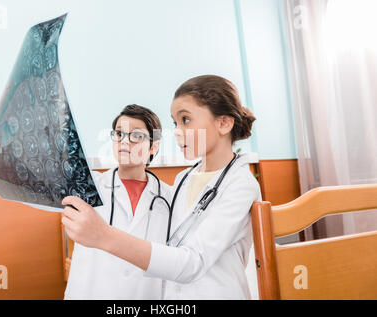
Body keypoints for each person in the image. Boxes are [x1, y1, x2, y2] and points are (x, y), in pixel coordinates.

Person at [60, 75, 261, 299]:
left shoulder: (238, 185)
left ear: (223, 123)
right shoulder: (184, 179)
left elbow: (192, 261)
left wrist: (104, 235)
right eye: (175, 123)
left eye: (185, 120)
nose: (175, 130)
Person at [0, 104, 172, 299]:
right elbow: (32, 189)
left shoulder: (170, 198)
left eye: (136, 136)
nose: (125, 142)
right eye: (119, 134)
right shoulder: (86, 185)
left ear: (154, 145)